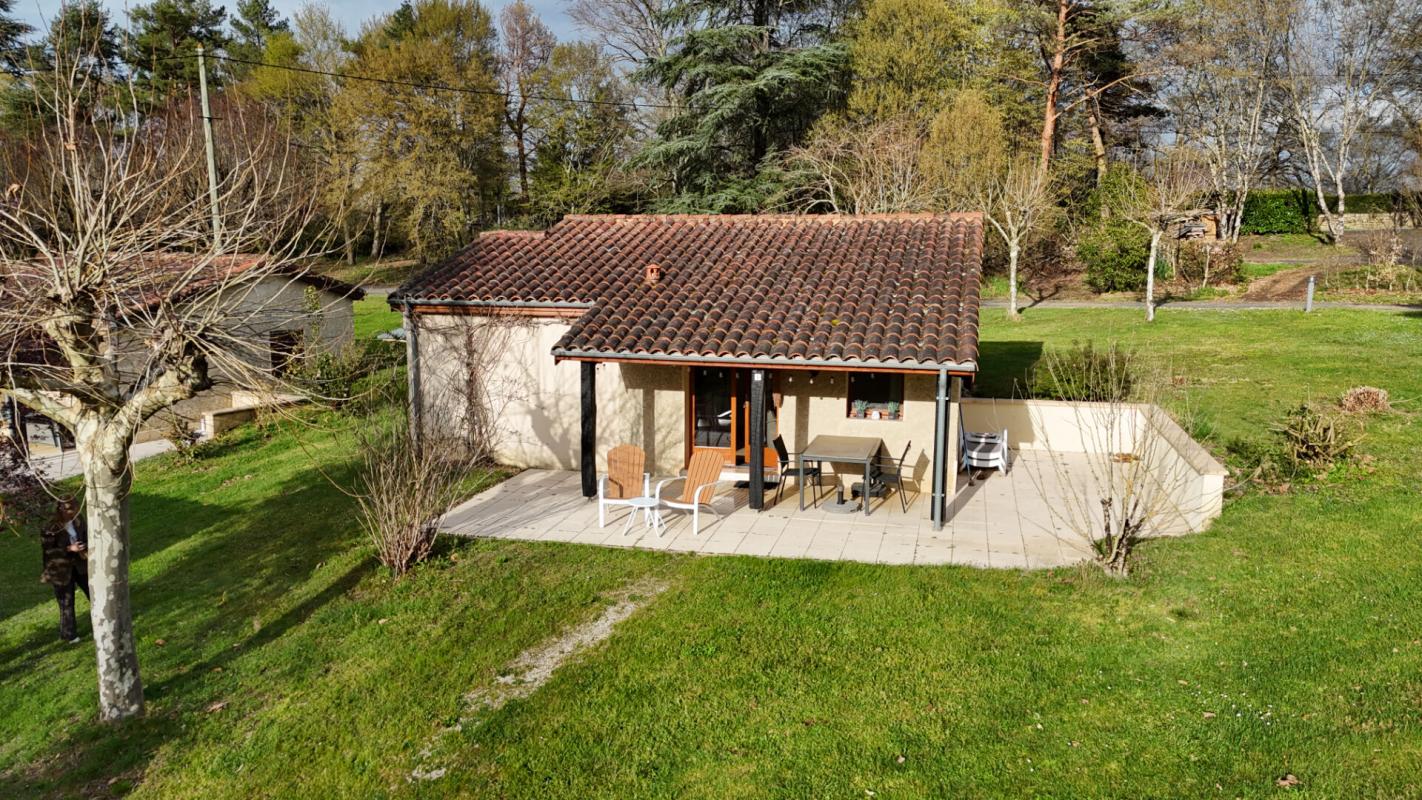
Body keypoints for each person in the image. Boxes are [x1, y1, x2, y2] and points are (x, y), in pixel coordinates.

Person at [40, 495, 89, 644]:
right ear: (60, 509)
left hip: (79, 565)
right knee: (66, 601)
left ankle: (104, 621)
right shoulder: (50, 527)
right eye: (69, 509)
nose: (72, 512)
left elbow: (86, 535)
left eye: (74, 508)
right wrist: (69, 548)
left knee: (93, 592)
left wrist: (84, 546)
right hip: (60, 569)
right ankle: (69, 635)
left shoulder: (78, 520)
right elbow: (49, 550)